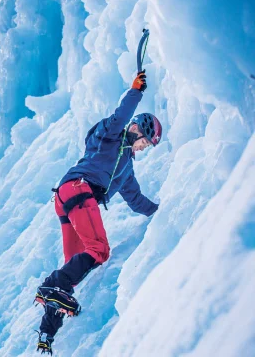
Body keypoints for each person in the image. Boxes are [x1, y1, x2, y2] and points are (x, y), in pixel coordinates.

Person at [35, 70, 163, 354]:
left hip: (68, 198)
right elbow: (121, 115)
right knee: (100, 250)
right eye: (146, 141)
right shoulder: (110, 135)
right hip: (79, 190)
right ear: (139, 128)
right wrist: (136, 91)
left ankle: (47, 332)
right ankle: (50, 286)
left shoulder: (126, 169)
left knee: (75, 264)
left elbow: (136, 199)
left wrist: (163, 211)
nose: (144, 148)